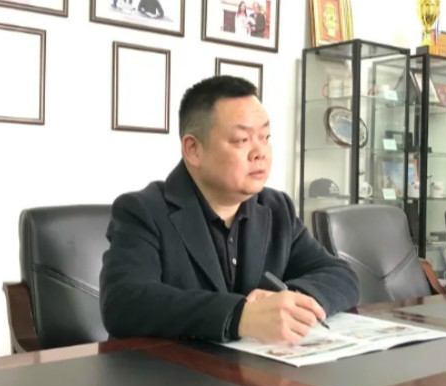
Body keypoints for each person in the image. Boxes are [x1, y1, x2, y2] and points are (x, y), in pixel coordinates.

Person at [100, 76, 359, 345]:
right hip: (170, 368)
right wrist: (239, 316)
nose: (260, 152)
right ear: (193, 149)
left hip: (255, 368)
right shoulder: (143, 211)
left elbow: (342, 275)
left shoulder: (276, 209)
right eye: (241, 139)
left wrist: (287, 304)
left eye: (265, 137)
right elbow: (123, 303)